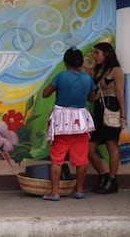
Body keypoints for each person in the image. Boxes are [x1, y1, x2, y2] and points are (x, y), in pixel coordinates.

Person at [42, 47, 96, 201]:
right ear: (80, 63)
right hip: (80, 122)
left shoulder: (61, 76)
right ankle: (79, 190)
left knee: (57, 159)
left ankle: (55, 192)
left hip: (61, 123)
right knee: (81, 159)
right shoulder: (87, 78)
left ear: (65, 62)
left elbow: (45, 94)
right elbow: (92, 99)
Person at [88, 42, 126, 194]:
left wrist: (123, 115)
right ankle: (103, 176)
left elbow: (120, 93)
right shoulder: (98, 71)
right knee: (89, 149)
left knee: (112, 145)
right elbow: (91, 98)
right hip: (98, 109)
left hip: (111, 109)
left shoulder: (116, 70)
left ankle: (112, 179)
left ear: (107, 54)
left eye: (97, 53)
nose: (95, 56)